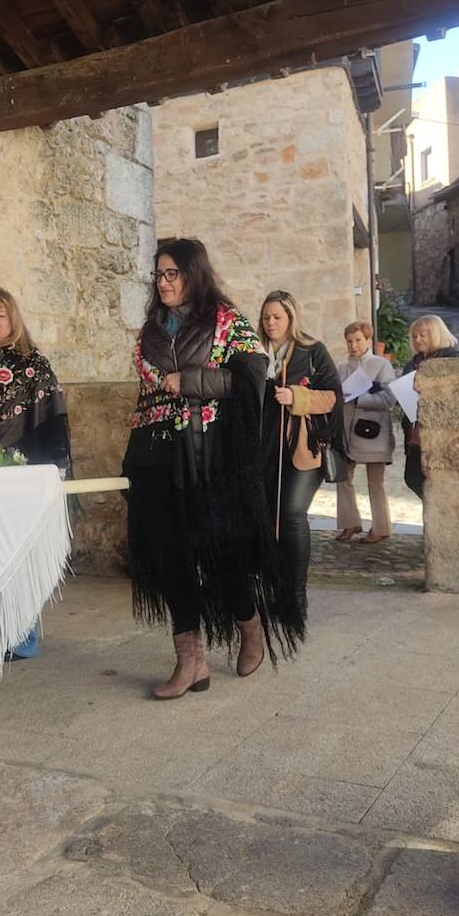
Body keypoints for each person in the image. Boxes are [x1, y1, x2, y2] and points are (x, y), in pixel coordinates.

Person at [123, 239, 304, 700]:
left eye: (172, 274)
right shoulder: (149, 330)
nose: (163, 283)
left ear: (193, 274)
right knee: (172, 560)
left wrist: (191, 381)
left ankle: (250, 625)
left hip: (211, 458)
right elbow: (147, 396)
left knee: (222, 557)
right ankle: (191, 662)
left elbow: (253, 374)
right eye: (158, 275)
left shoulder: (224, 320)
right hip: (158, 458)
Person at [0, 287, 71, 661]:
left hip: (18, 466)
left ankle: (23, 636)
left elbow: (52, 410)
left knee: (16, 549)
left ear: (13, 320)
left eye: (1, 316)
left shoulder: (29, 361)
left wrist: (56, 464)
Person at [258, 290, 344, 614]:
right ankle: (276, 590)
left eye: (277, 317)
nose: (270, 323)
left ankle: (296, 596)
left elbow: (334, 396)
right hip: (264, 451)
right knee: (270, 519)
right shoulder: (256, 353)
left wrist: (297, 397)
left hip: (303, 449)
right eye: (266, 317)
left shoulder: (311, 351)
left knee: (292, 515)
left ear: (291, 318)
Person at [335, 320, 397, 544]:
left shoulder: (381, 365)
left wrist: (359, 397)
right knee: (343, 477)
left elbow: (389, 398)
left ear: (368, 340)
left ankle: (381, 527)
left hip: (373, 432)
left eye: (358, 340)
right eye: (350, 341)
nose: (354, 345)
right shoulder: (342, 368)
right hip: (346, 430)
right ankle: (349, 523)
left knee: (375, 482)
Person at [402, 314, 459, 499]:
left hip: (440, 432)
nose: (418, 339)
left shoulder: (451, 360)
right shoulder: (413, 363)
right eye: (415, 336)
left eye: (423, 335)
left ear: (436, 334)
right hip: (415, 431)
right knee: (412, 477)